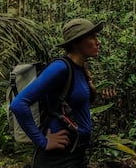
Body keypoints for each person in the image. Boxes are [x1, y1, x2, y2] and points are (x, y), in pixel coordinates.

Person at [10, 18, 104, 168]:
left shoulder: (80, 69)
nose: (98, 42)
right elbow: (18, 104)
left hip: (78, 152)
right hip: (57, 157)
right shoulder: (60, 68)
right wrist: (43, 141)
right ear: (76, 43)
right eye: (92, 37)